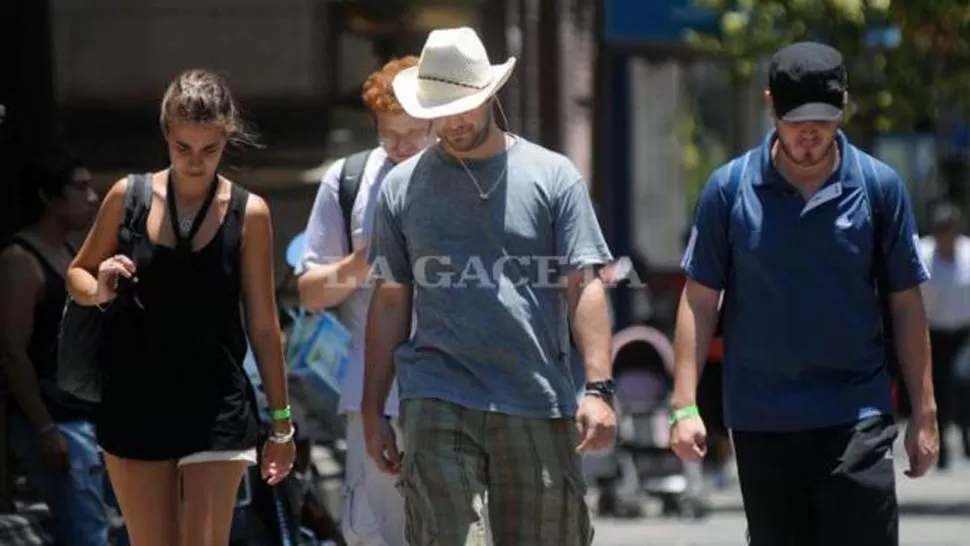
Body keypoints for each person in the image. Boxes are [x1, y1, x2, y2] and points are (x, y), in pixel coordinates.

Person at [669, 42, 939, 545]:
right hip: (762, 417)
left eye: (824, 118)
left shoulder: (879, 188)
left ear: (843, 106)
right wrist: (685, 405)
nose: (810, 133)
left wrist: (925, 414)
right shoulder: (729, 190)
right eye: (797, 120)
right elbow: (699, 299)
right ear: (771, 105)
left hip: (856, 410)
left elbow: (906, 303)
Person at [363, 27, 616, 546]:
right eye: (440, 109)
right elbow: (391, 300)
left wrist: (598, 388)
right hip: (436, 391)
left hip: (534, 395)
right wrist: (373, 410)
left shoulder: (553, 176)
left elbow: (582, 285)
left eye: (466, 105)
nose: (453, 122)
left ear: (490, 94)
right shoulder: (401, 187)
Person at [65, 69, 296, 546]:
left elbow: (264, 325)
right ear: (166, 134)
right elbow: (77, 274)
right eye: (183, 148)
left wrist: (281, 423)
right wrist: (100, 289)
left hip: (218, 403)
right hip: (135, 397)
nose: (196, 162)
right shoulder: (126, 197)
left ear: (226, 137)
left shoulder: (249, 213)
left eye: (209, 150)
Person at [295, 55, 434, 546]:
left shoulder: (464, 177)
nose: (400, 147)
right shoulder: (349, 180)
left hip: (458, 388)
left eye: (414, 133)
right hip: (373, 397)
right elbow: (311, 293)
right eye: (388, 133)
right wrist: (363, 260)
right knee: (377, 531)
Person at [0, 149, 108, 544]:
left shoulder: (70, 254)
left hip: (85, 415)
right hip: (56, 419)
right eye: (79, 187)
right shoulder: (20, 261)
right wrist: (44, 427)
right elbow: (12, 350)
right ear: (50, 196)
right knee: (86, 535)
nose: (92, 197)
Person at [919, 201, 970, 467]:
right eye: (940, 228)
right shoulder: (923, 253)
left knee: (962, 380)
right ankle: (942, 449)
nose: (944, 234)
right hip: (933, 333)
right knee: (938, 390)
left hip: (964, 333)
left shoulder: (968, 254)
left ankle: (965, 434)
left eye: (948, 228)